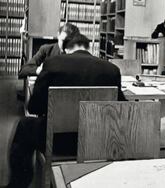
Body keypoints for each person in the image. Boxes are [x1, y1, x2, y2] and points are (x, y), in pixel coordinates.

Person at [8, 33, 126, 188]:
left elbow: (34, 106)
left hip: (58, 142)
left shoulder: (53, 63)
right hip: (97, 140)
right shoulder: (112, 69)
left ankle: (19, 183)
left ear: (65, 49)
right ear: (88, 47)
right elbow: (122, 106)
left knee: (24, 126)